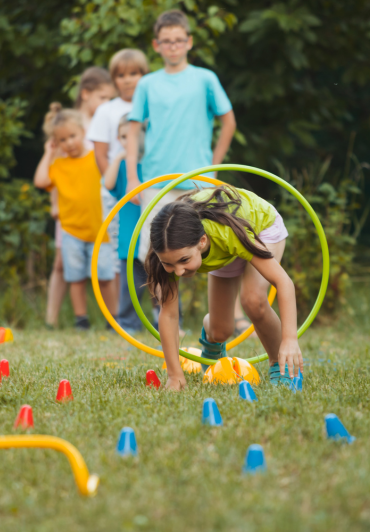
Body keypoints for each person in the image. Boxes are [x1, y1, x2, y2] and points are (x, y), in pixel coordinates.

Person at [145, 185, 303, 391]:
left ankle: (280, 366)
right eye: (169, 264)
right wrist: (175, 376)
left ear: (202, 242)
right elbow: (169, 315)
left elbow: (284, 282)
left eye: (184, 260)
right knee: (221, 331)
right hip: (224, 250)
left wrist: (290, 339)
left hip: (260, 228)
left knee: (253, 300)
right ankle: (211, 342)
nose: (178, 272)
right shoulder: (167, 250)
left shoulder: (227, 233)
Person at [44, 69, 114, 328]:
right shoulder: (68, 126)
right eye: (103, 97)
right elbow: (57, 171)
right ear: (86, 95)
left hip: (97, 209)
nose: (108, 103)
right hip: (70, 210)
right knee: (63, 263)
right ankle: (52, 320)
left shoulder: (103, 122)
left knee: (105, 265)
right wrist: (54, 204)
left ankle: (113, 317)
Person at [88, 49, 149, 316]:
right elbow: (100, 153)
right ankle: (121, 314)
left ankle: (160, 313)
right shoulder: (106, 110)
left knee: (150, 247)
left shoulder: (150, 104)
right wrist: (115, 187)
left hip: (148, 185)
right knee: (121, 251)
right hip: (117, 188)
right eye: (121, 75)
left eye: (134, 74)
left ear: (143, 76)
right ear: (114, 79)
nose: (128, 80)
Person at [104, 114, 146, 333]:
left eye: (133, 135)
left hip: (154, 238)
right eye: (123, 137)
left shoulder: (152, 165)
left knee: (163, 284)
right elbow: (108, 183)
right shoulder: (122, 169)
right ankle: (128, 323)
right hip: (129, 238)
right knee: (130, 287)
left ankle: (168, 322)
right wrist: (120, 157)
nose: (128, 140)